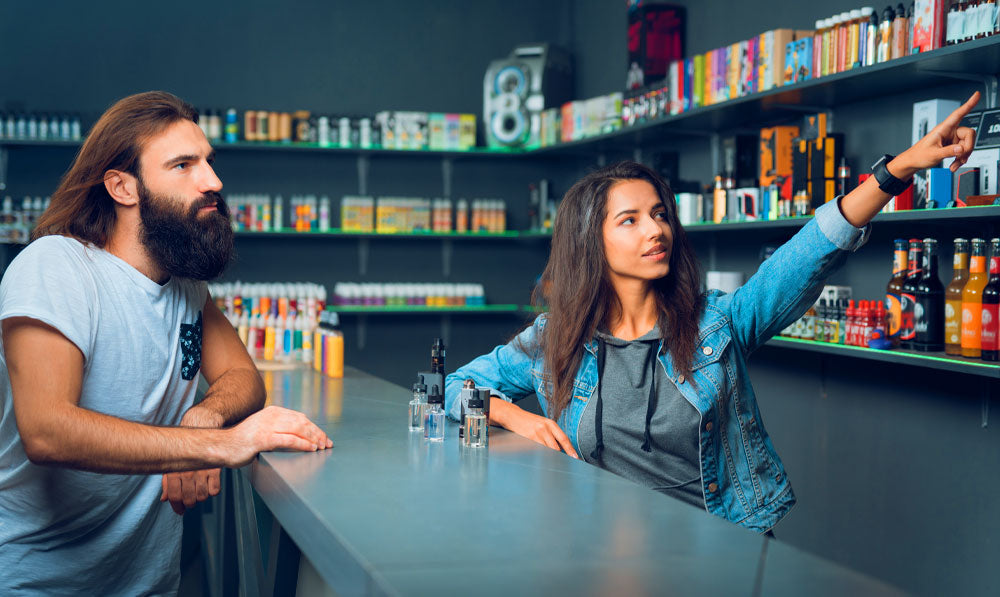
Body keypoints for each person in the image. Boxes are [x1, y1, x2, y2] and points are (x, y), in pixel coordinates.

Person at [446, 93, 980, 533]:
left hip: (715, 548)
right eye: (629, 220)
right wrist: (518, 416)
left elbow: (809, 253)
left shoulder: (716, 325)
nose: (655, 229)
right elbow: (456, 386)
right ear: (591, 244)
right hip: (598, 549)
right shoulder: (554, 340)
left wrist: (901, 168)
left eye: (659, 214)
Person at [0, 91, 332, 594]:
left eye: (209, 162)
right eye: (183, 165)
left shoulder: (186, 287)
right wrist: (218, 445)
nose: (213, 182)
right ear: (122, 187)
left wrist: (203, 415)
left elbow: (243, 378)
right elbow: (48, 431)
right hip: (39, 583)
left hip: (148, 583)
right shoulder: (56, 266)